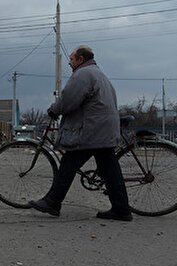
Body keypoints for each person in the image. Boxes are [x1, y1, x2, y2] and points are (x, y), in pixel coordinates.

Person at [28, 45, 132, 221]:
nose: (69, 62)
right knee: (110, 170)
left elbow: (68, 100)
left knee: (69, 162)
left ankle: (53, 202)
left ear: (80, 60)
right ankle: (121, 209)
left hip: (93, 129)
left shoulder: (83, 74)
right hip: (104, 128)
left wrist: (54, 110)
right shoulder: (97, 72)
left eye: (71, 58)